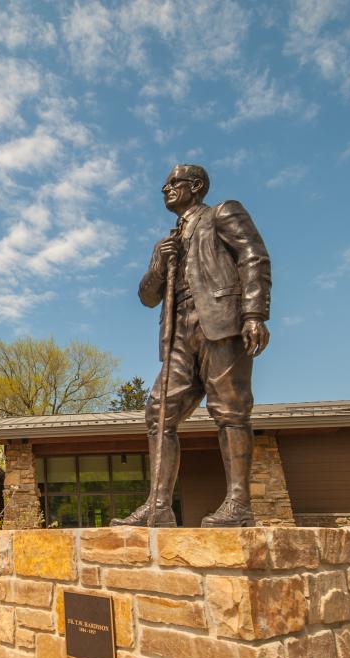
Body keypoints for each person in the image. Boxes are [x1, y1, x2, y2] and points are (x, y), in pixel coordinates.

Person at [113, 163, 271, 528]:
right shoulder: (167, 241)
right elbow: (147, 297)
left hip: (221, 322)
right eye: (165, 184)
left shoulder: (221, 214)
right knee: (159, 413)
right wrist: (158, 263)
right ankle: (159, 506)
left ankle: (239, 504)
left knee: (230, 410)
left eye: (173, 182)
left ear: (195, 185)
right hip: (179, 333)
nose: (165, 188)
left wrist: (254, 314)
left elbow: (253, 257)